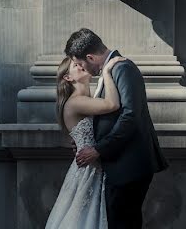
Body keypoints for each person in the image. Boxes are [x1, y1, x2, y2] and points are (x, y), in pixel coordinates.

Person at [64, 28, 169, 229]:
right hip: (119, 163)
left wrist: (98, 149)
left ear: (90, 57)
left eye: (80, 64)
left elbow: (130, 116)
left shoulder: (123, 68)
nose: (81, 68)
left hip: (128, 164)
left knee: (123, 223)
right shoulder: (111, 71)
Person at [46, 54, 126, 228]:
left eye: (80, 62)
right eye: (75, 66)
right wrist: (106, 72)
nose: (81, 65)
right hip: (89, 169)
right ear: (68, 78)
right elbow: (112, 105)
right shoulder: (75, 102)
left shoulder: (88, 98)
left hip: (94, 165)